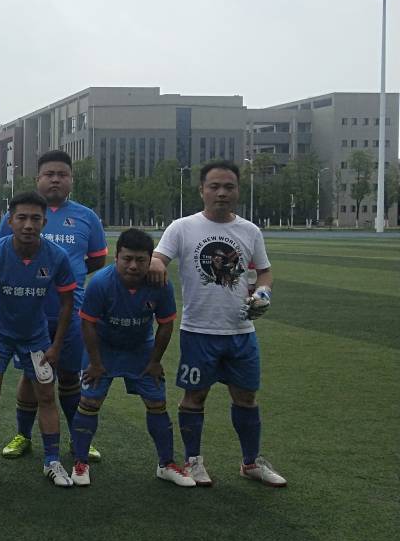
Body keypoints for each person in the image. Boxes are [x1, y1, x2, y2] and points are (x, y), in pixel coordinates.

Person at [148, 160, 286, 488]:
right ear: (202, 190)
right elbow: (158, 257)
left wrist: (263, 292)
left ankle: (250, 462)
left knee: (246, 398)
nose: (221, 193)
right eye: (214, 186)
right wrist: (156, 263)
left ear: (238, 191)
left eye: (228, 187)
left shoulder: (250, 231)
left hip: (241, 331)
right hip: (199, 331)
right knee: (194, 397)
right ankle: (193, 461)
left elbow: (264, 272)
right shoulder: (182, 227)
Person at [0, 150, 107, 463]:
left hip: (70, 314)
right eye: (49, 174)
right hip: (30, 314)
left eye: (62, 174)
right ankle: (23, 435)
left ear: (71, 179)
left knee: (71, 376)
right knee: (32, 376)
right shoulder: (18, 216)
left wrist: (70, 278)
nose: (55, 179)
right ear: (38, 179)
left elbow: (97, 259)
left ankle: (78, 437)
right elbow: (3, 254)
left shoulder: (87, 217)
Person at [0, 192, 77, 487]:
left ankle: (52, 461)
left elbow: (67, 303)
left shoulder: (56, 256)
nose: (28, 225)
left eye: (35, 218)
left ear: (44, 222)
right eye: (22, 218)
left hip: (35, 336)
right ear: (10, 220)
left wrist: (56, 345)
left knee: (46, 395)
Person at [73, 228, 193, 487]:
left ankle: (166, 464)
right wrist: (95, 363)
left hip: (140, 349)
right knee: (89, 402)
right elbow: (87, 324)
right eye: (127, 259)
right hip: (103, 348)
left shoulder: (160, 284)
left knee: (157, 402)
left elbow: (165, 324)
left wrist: (155, 361)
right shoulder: (100, 283)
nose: (133, 266)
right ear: (116, 257)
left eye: (140, 260)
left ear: (150, 261)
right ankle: (80, 463)